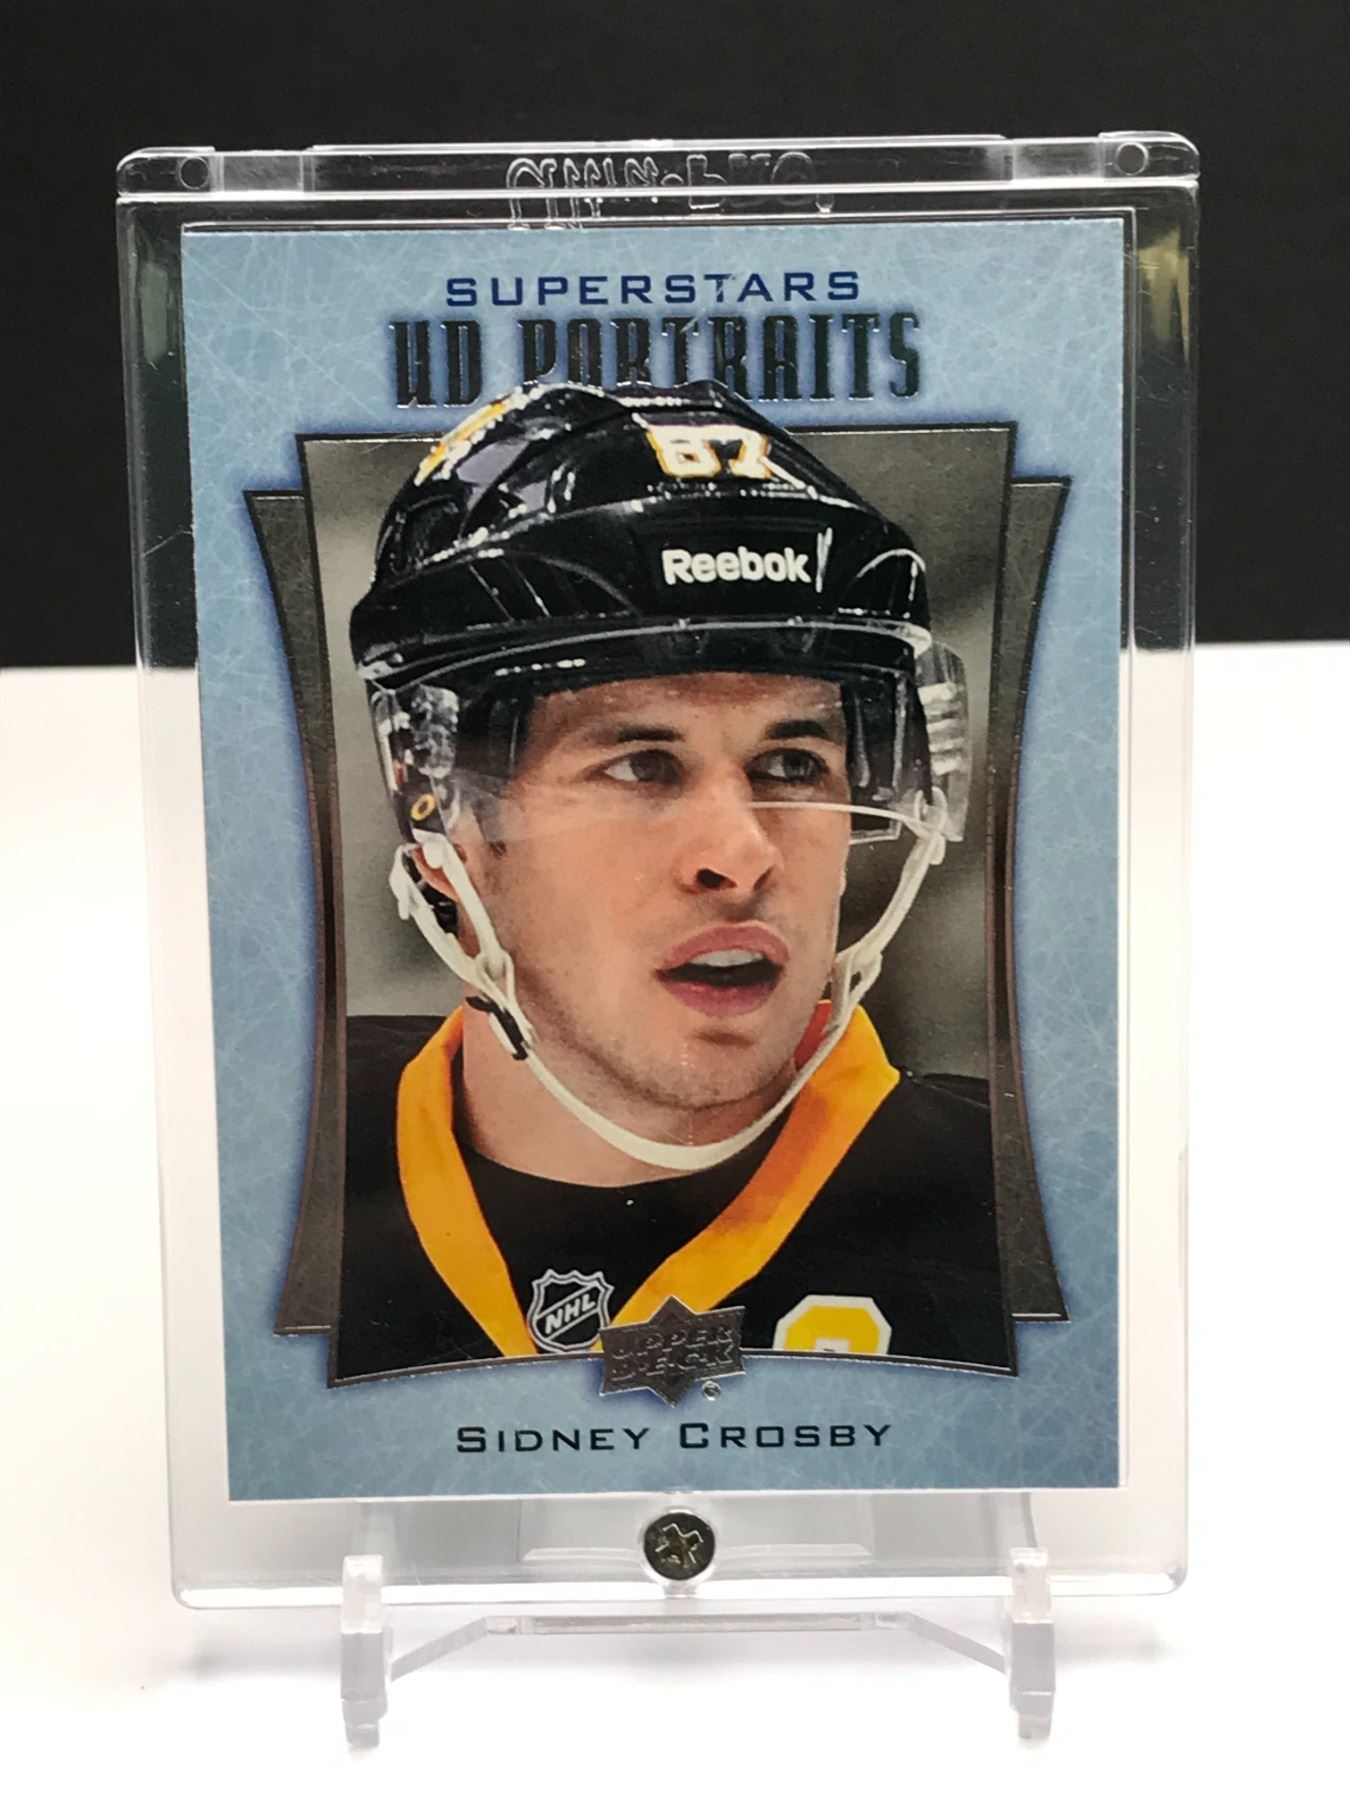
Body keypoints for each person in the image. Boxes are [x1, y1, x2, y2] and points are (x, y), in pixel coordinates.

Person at [333, 380, 1012, 1383]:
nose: (740, 854)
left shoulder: (1026, 1201)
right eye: (641, 766)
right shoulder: (261, 1160)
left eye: (793, 764)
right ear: (440, 808)